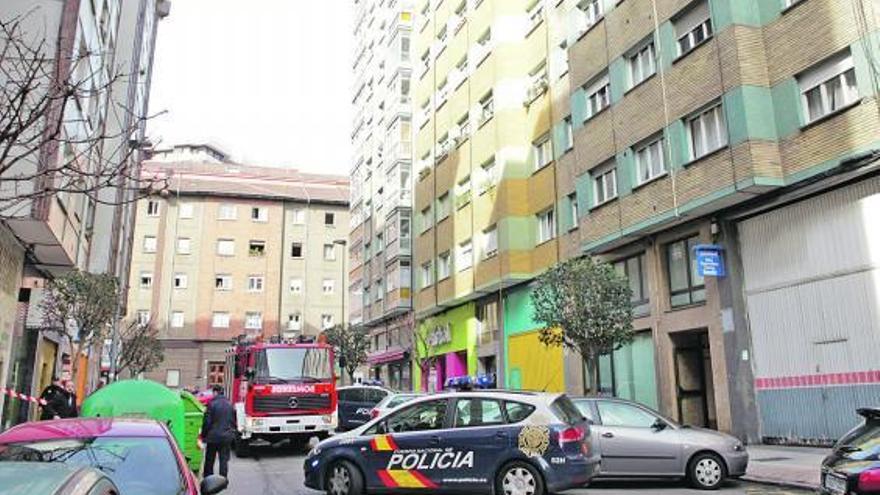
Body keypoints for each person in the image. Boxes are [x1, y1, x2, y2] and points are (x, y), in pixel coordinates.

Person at [201, 384, 236, 479]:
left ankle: (208, 479)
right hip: (226, 437)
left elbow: (207, 422)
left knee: (210, 460)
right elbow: (233, 421)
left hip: (213, 437)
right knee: (224, 460)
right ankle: (223, 480)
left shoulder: (211, 404)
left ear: (215, 392)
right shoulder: (229, 404)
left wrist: (203, 435)